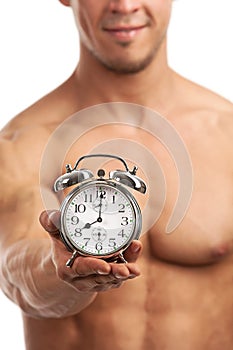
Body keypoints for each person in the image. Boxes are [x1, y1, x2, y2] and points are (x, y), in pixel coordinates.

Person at [0, 1, 233, 349]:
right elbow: (16, 277)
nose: (124, 5)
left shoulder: (227, 134)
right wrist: (58, 268)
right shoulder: (21, 144)